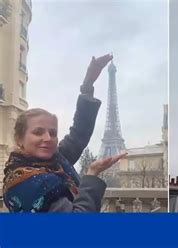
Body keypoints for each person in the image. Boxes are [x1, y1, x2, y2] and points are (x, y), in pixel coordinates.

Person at [2, 54, 126, 212]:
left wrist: (88, 85)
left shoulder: (50, 163)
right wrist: (92, 174)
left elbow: (77, 136)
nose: (47, 138)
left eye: (53, 133)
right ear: (19, 139)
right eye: (38, 132)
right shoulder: (27, 183)